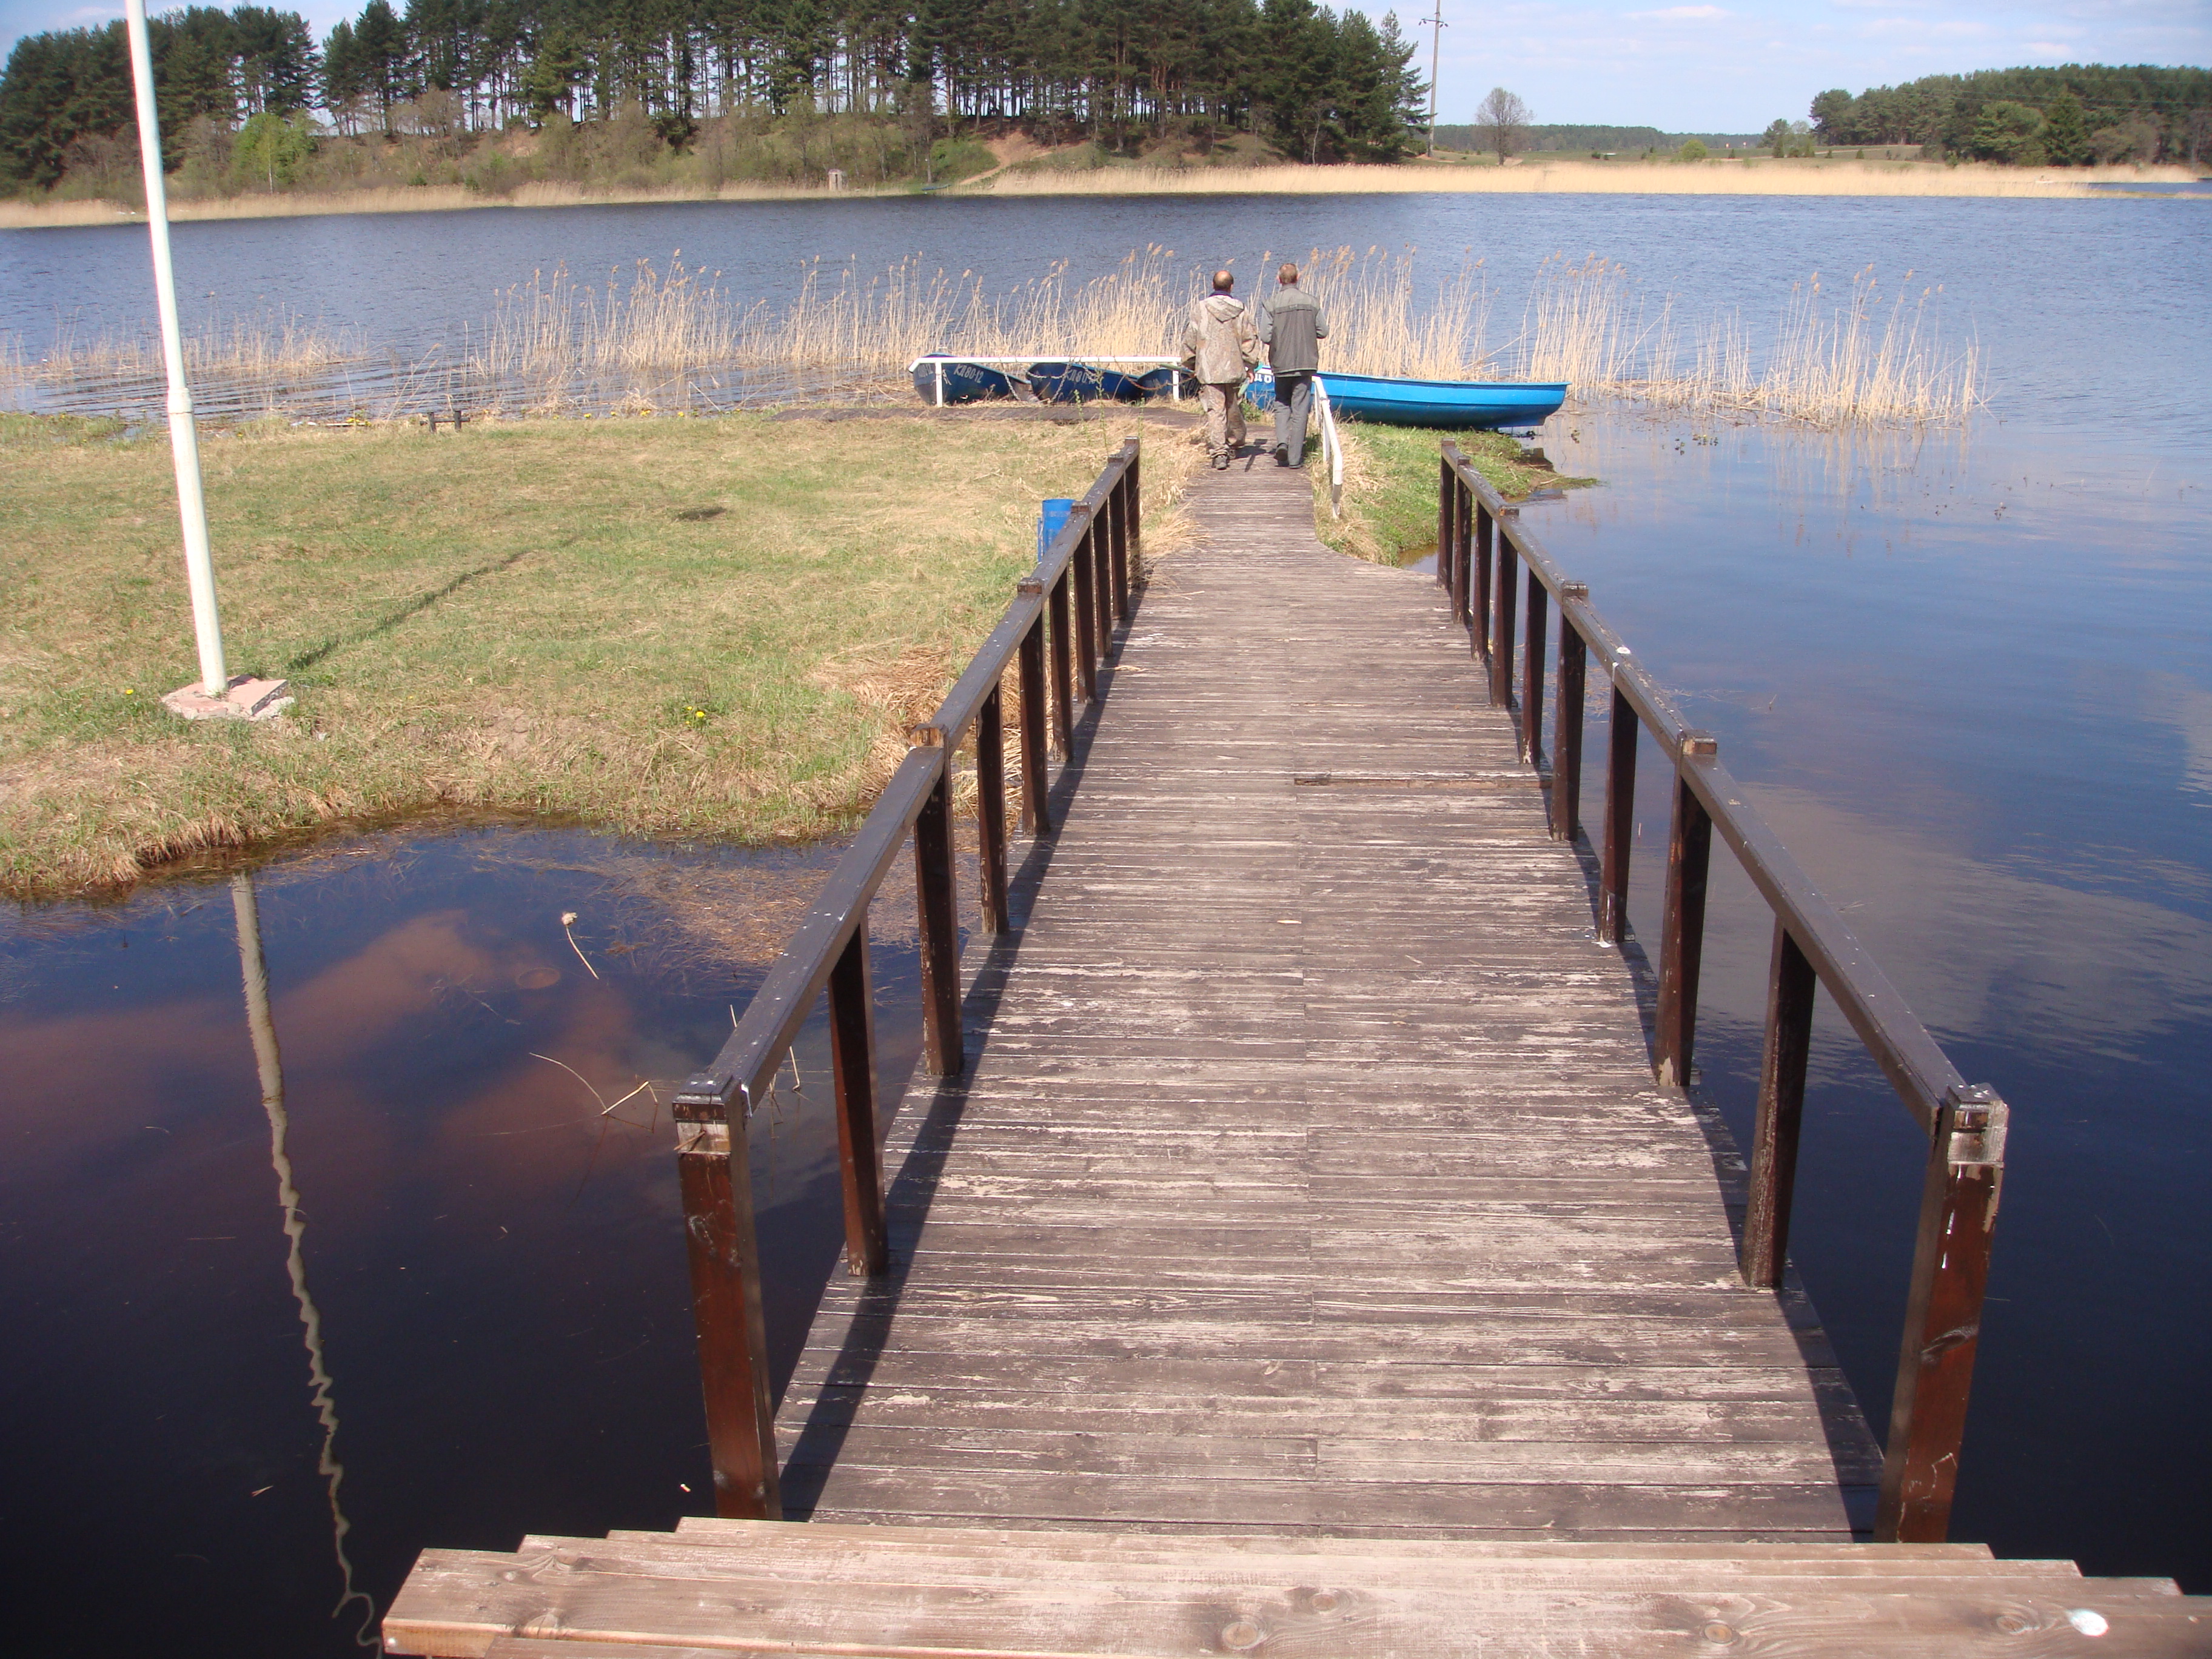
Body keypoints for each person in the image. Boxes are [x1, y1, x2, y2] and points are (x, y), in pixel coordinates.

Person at [1180, 269, 1261, 470]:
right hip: (1234, 367)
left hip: (1209, 368)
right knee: (1233, 407)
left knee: (1216, 411)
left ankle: (1219, 452)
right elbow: (1249, 338)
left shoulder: (1201, 309)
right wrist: (1250, 364)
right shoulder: (1241, 310)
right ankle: (1235, 441)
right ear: (1231, 287)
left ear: (1213, 286)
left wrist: (1191, 363)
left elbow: (1191, 336)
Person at [1259, 263, 1329, 468]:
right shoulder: (1312, 302)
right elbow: (1323, 332)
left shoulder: (1270, 303)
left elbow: (1265, 335)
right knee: (1300, 408)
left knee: (1281, 403)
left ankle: (1282, 443)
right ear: (1298, 279)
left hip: (1281, 362)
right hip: (1306, 362)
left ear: (1279, 279)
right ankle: (1295, 458)